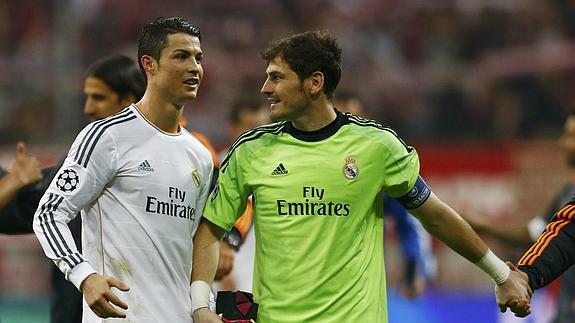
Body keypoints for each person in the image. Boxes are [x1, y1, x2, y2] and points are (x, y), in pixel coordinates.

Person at [190, 30, 529, 322]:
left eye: (277, 77)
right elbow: (209, 230)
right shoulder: (252, 151)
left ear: (314, 82)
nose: (265, 88)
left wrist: (500, 274)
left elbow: (435, 216)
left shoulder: (376, 147)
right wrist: (200, 305)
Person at [33, 17, 214, 322]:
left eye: (198, 58)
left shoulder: (200, 156)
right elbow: (49, 213)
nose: (194, 68)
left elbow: (199, 242)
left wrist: (202, 305)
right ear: (149, 64)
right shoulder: (106, 136)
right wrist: (85, 276)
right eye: (181, 57)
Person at [466, 114, 575, 322]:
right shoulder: (565, 195)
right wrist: (525, 276)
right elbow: (540, 234)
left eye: (571, 136)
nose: (563, 143)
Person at [334, 90, 436, 298]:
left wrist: (414, 270)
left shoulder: (377, 164)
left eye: (354, 120)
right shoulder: (302, 160)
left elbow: (409, 219)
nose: (347, 130)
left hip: (357, 286)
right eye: (340, 121)